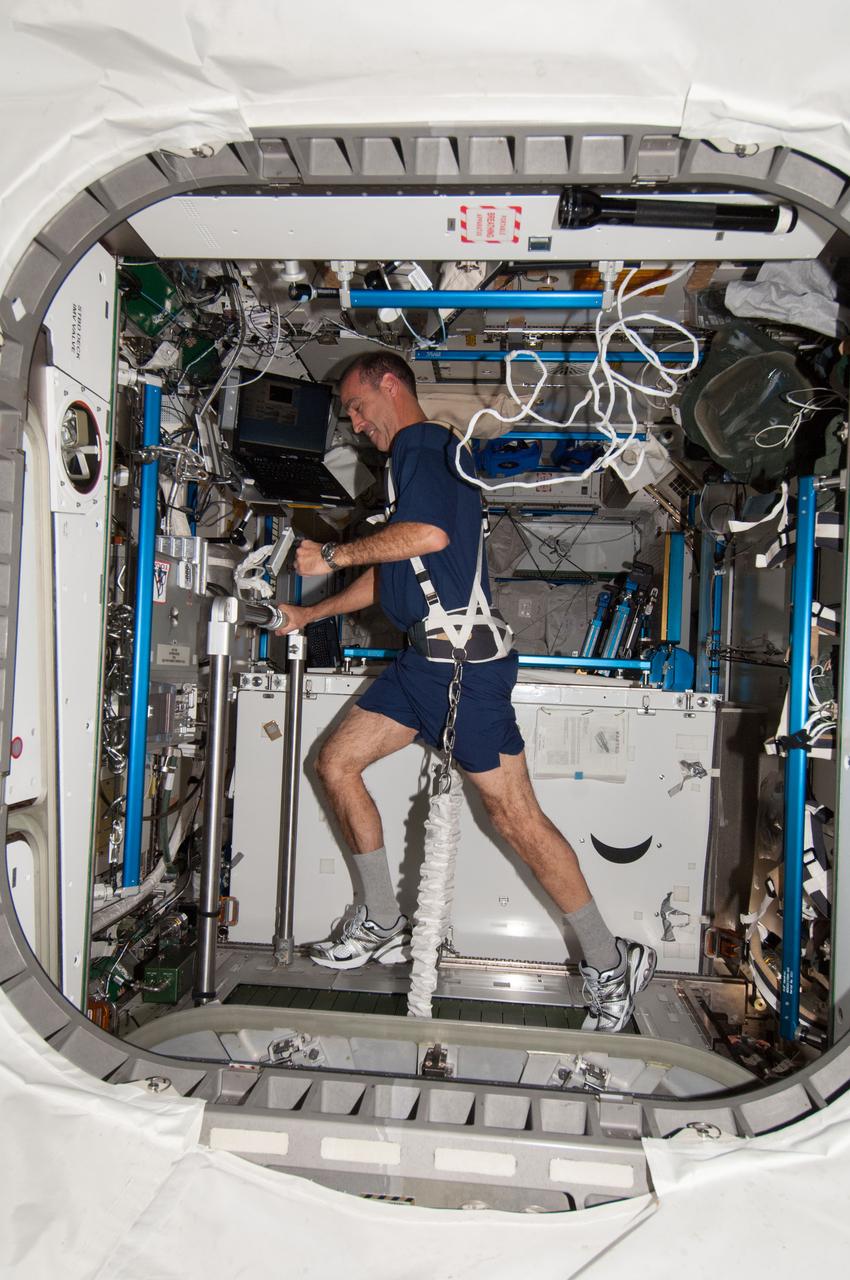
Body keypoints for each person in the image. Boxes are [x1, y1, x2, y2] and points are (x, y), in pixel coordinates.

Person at [275, 352, 656, 1032]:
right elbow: (399, 565)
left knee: (516, 819)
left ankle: (609, 963)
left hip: (460, 671)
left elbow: (428, 534)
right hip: (421, 665)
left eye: (358, 406)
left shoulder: (424, 445)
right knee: (335, 764)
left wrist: (330, 554)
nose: (356, 424)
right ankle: (382, 918)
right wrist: (310, 612)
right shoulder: (407, 467)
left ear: (390, 384)